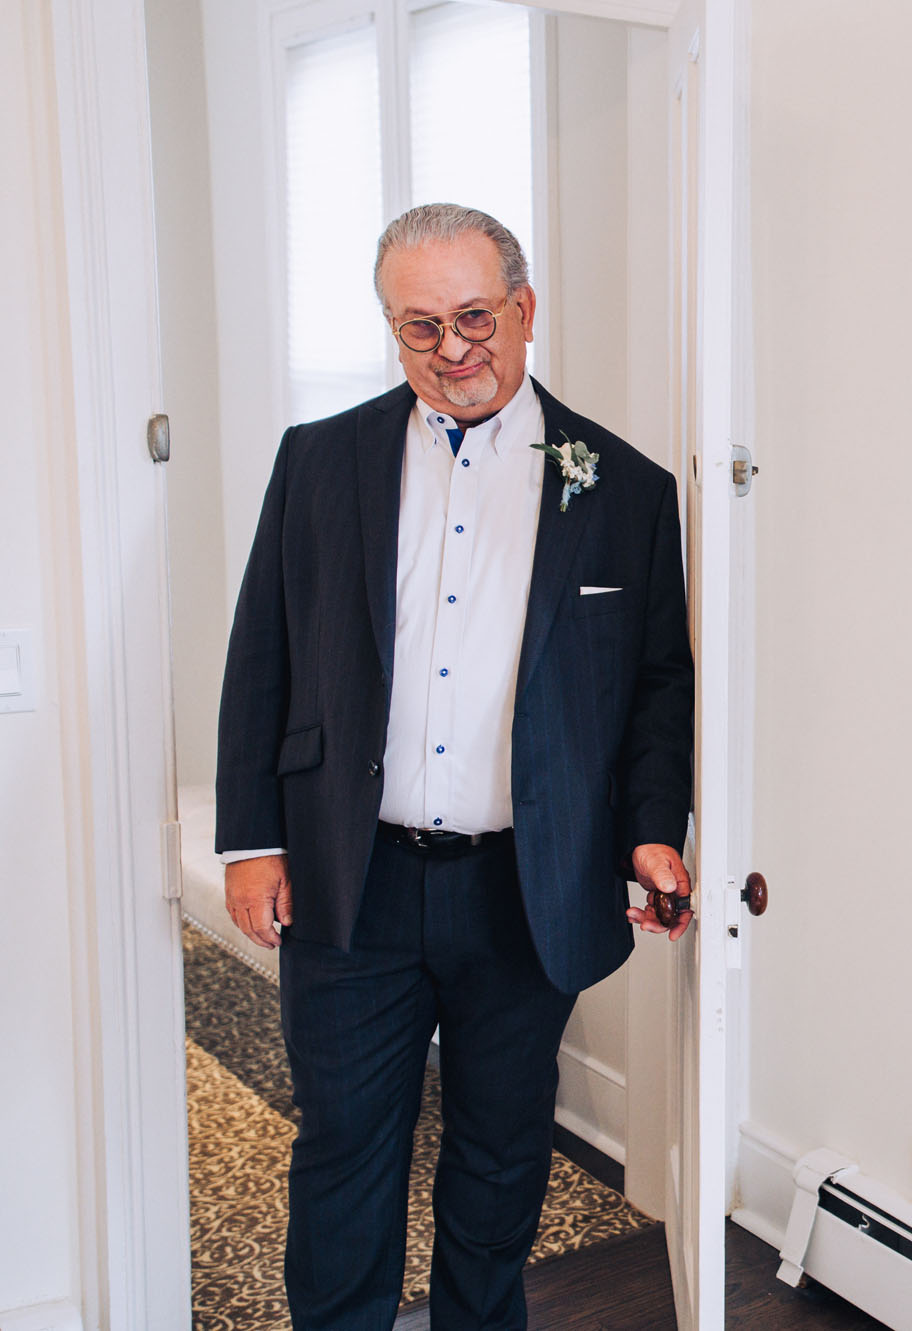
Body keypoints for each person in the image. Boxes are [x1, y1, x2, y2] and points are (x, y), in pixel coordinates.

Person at [214, 203, 696, 1331]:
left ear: (523, 310)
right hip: (351, 877)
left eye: (473, 316)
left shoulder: (622, 488)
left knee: (499, 1153)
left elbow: (656, 683)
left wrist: (650, 826)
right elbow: (261, 653)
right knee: (343, 1150)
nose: (452, 348)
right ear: (394, 329)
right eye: (419, 326)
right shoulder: (318, 460)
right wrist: (252, 840)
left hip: (525, 886)